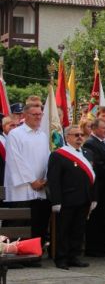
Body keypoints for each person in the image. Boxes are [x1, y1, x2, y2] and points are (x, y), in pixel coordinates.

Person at [4, 103, 51, 264]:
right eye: (34, 114)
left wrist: (44, 179)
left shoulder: (43, 135)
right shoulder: (16, 134)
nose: (38, 117)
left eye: (40, 114)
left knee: (38, 223)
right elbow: (16, 160)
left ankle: (33, 256)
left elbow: (46, 159)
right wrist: (32, 180)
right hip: (22, 188)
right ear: (25, 115)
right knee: (20, 223)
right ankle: (14, 257)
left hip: (40, 188)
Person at [47, 126, 97, 270]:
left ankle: (74, 256)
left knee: (78, 230)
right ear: (67, 137)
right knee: (63, 230)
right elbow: (54, 180)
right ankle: (61, 258)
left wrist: (94, 198)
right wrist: (56, 201)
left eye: (81, 135)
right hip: (67, 199)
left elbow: (94, 178)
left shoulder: (88, 153)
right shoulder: (58, 155)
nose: (80, 137)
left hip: (84, 198)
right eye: (76, 135)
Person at [83, 119, 105, 257]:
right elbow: (98, 165)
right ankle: (93, 248)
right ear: (94, 128)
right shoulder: (90, 143)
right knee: (96, 218)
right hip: (100, 187)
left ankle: (102, 245)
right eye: (103, 128)